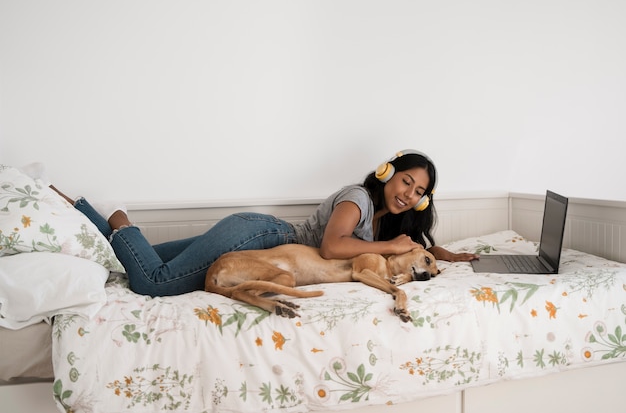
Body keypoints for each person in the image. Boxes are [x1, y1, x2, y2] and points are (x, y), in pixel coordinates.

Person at [40, 149, 477, 297]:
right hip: (263, 237)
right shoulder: (358, 198)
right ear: (387, 173)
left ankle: (81, 209)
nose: (409, 193)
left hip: (258, 233)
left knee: (145, 262)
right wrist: (391, 247)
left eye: (419, 192)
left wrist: (445, 254)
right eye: (406, 181)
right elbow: (331, 249)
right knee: (153, 283)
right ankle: (120, 219)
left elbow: (409, 245)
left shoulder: (383, 218)